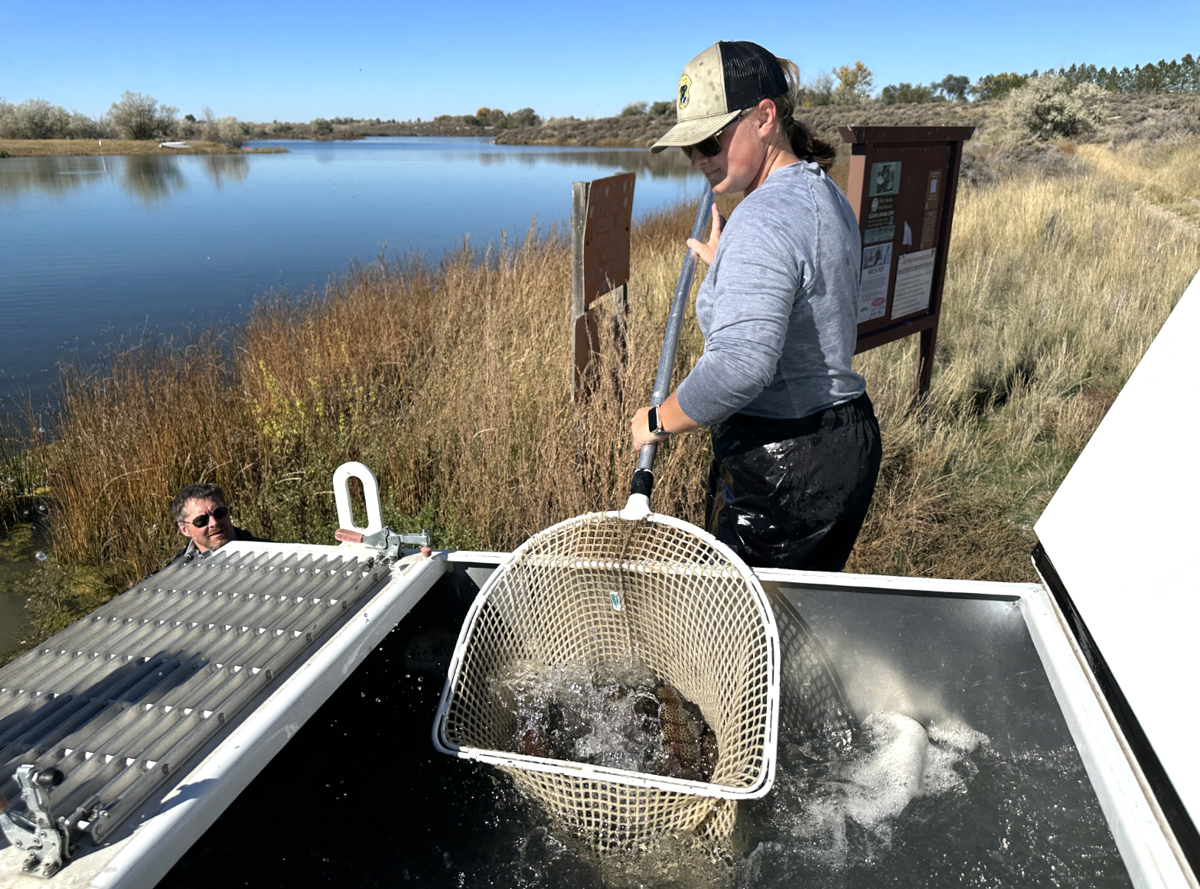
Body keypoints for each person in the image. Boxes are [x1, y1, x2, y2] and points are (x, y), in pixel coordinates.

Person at [630, 40, 882, 572]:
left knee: (748, 637)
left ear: (764, 116)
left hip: (785, 463)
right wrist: (728, 270)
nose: (699, 159)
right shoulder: (821, 191)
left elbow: (740, 366)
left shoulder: (762, 218)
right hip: (841, 442)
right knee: (795, 620)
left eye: (710, 140)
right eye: (688, 148)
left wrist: (657, 419)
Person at [169, 483, 265, 564]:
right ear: (184, 529)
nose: (214, 523)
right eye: (201, 520)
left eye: (220, 513)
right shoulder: (174, 570)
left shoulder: (267, 554)